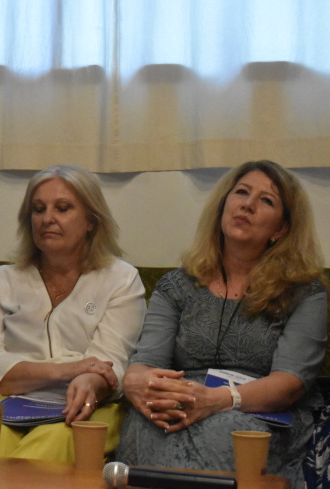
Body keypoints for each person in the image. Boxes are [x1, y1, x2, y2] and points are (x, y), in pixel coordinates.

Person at [116, 160, 328, 489]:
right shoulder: (176, 286)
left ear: (281, 229)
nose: (248, 204)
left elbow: (290, 382)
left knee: (224, 431)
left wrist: (218, 399)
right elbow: (145, 362)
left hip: (257, 413)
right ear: (223, 207)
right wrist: (137, 383)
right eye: (241, 192)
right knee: (145, 423)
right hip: (180, 402)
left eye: (266, 200)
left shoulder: (305, 293)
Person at [0, 164, 146, 463]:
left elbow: (110, 366)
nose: (47, 218)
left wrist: (86, 379)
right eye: (38, 209)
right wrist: (67, 370)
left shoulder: (121, 279)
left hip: (86, 408)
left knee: (47, 445)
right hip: (10, 406)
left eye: (62, 208)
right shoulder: (3, 280)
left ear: (91, 221)